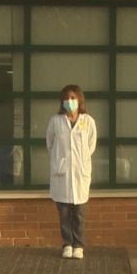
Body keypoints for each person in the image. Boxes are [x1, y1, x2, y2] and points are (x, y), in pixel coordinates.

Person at [46, 85, 97, 260]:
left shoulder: (88, 121)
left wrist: (79, 161)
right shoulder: (56, 121)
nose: (70, 102)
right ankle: (67, 244)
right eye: (67, 98)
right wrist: (62, 160)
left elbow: (91, 145)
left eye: (73, 98)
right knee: (64, 213)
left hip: (80, 174)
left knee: (79, 213)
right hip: (62, 173)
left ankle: (79, 245)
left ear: (80, 100)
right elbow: (50, 144)